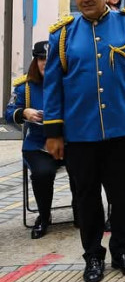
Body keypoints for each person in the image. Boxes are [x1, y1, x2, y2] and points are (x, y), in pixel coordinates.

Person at [44, 0, 125, 282]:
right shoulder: (63, 34)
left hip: (122, 129)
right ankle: (93, 254)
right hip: (80, 134)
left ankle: (122, 249)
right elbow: (53, 86)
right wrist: (53, 131)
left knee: (122, 195)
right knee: (87, 196)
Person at [6, 41, 77, 239]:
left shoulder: (71, 82)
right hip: (38, 144)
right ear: (35, 61)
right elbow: (9, 112)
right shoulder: (25, 87)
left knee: (82, 169)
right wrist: (24, 112)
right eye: (41, 59)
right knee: (42, 174)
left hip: (69, 141)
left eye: (50, 59)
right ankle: (44, 216)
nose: (45, 63)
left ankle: (80, 210)